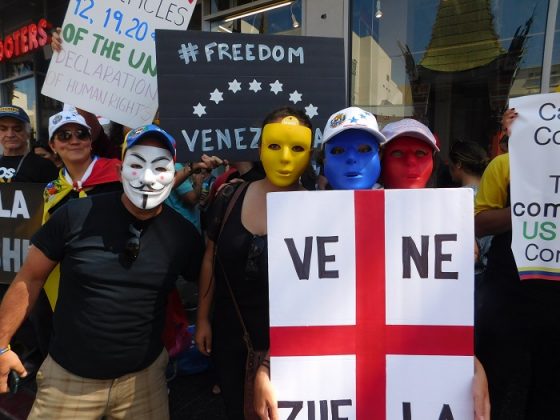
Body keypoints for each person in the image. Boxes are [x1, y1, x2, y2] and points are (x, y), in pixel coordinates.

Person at [0, 124, 203, 419]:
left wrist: (206, 321)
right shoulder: (74, 215)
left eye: (160, 167)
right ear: (120, 169)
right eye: (137, 164)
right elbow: (29, 278)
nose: (147, 178)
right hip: (68, 381)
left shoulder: (182, 234)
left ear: (174, 173)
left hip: (143, 383)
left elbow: (209, 278)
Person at [195, 107, 313, 420]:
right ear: (260, 148)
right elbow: (211, 256)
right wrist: (204, 318)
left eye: (297, 148)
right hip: (230, 335)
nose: (285, 158)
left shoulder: (321, 211)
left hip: (287, 346)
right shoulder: (229, 197)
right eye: (274, 146)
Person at [381, 118, 490, 420]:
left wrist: (472, 364)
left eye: (421, 154)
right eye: (398, 154)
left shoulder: (451, 220)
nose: (411, 165)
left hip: (427, 372)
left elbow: (450, 313)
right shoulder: (344, 213)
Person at [475, 108, 560, 419]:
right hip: (508, 298)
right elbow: (479, 222)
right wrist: (529, 208)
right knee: (500, 384)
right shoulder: (504, 166)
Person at [321, 106, 386, 190]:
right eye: (338, 151)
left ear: (379, 156)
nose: (351, 158)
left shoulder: (397, 202)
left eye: (364, 150)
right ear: (324, 160)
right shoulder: (309, 202)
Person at [0, 105, 58, 183]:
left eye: (17, 129)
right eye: (3, 129)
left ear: (28, 133)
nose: (10, 134)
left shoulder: (44, 166)